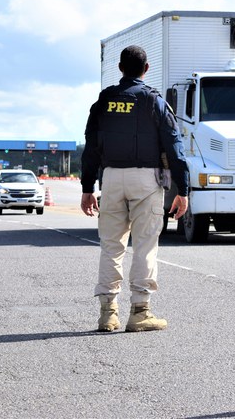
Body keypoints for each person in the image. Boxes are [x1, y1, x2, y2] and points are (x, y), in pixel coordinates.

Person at [80, 45, 189, 333]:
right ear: (146, 68)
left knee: (111, 246)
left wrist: (87, 187)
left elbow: (91, 147)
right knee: (144, 245)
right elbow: (175, 148)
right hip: (147, 180)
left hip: (111, 178)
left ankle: (107, 314)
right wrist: (184, 190)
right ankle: (140, 312)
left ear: (119, 68)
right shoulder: (154, 102)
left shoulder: (104, 101)